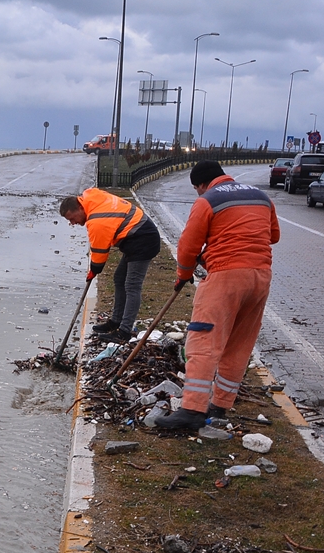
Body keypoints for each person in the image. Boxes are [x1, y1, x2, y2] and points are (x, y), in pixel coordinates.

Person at [155, 160, 280, 429]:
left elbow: (188, 246)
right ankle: (220, 406)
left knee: (202, 343)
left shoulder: (207, 200)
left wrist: (184, 274)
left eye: (196, 189)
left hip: (225, 277)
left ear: (200, 184)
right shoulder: (261, 197)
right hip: (261, 277)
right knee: (238, 344)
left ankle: (191, 411)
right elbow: (274, 236)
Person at [59, 188, 161, 343]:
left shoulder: (96, 220)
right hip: (134, 236)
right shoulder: (90, 196)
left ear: (80, 208)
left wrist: (94, 270)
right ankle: (116, 321)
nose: (73, 223)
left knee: (132, 285)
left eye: (72, 218)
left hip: (143, 239)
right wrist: (94, 268)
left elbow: (99, 253)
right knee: (119, 278)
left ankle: (124, 332)